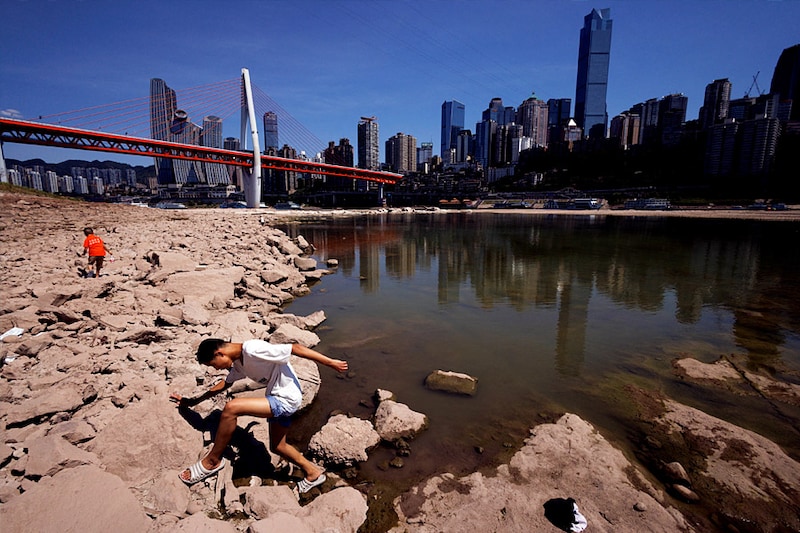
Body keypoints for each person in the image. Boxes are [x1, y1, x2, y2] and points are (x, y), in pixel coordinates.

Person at [170, 338, 348, 492]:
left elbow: (295, 347)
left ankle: (212, 461)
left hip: (286, 399)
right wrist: (192, 402)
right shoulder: (239, 363)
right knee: (278, 447)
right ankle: (313, 473)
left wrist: (330, 362)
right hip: (277, 397)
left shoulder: (252, 349)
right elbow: (224, 384)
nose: (215, 369)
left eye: (213, 365)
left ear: (219, 353)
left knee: (232, 408)